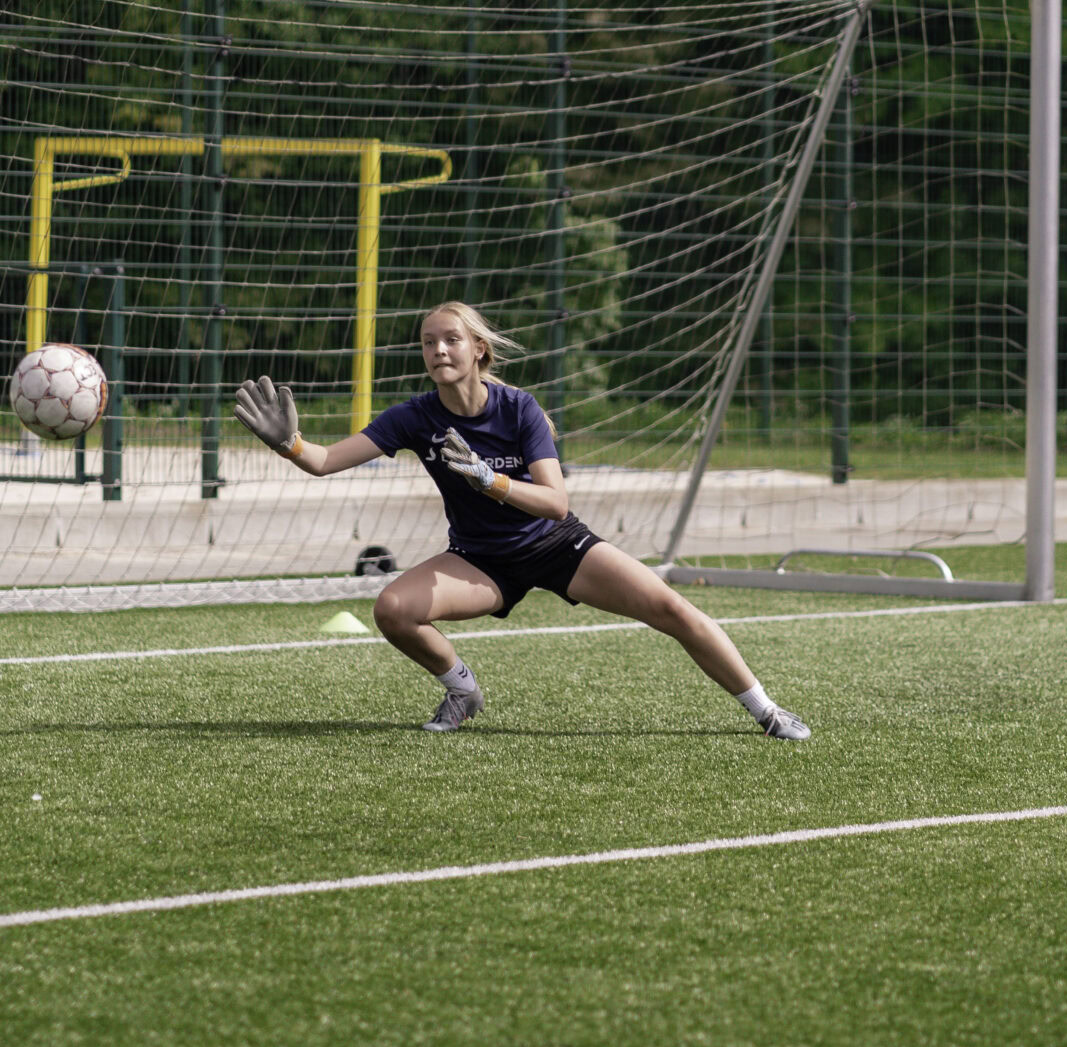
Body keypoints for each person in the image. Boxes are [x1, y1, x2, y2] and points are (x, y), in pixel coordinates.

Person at [232, 300, 811, 739]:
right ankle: (463, 693)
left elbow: (555, 503)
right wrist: (290, 444)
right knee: (392, 610)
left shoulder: (519, 408)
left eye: (451, 340)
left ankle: (765, 710)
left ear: (478, 349)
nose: (438, 351)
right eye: (428, 342)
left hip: (558, 545)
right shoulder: (414, 416)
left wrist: (490, 479)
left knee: (671, 608)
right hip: (482, 560)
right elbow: (327, 461)